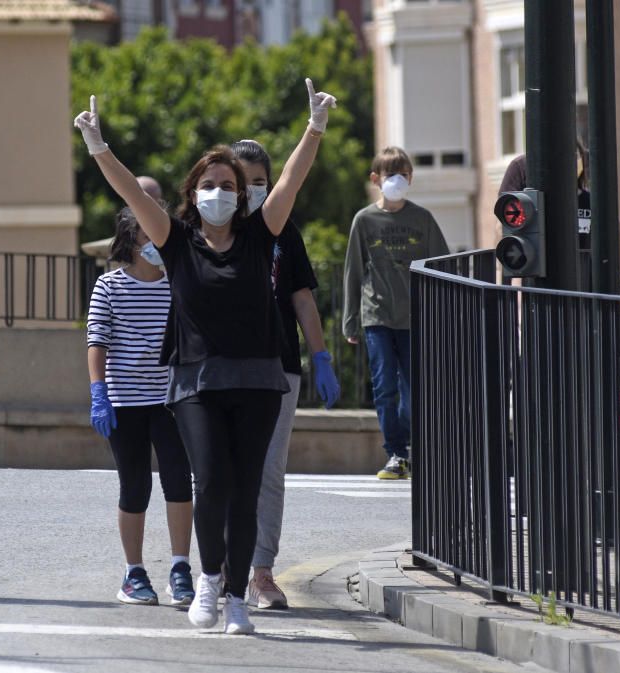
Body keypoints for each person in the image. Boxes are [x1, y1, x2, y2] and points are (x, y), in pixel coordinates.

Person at [74, 78, 336, 634]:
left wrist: (314, 128)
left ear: (242, 196)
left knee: (244, 488)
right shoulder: (175, 239)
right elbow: (131, 194)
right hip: (195, 383)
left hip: (260, 381)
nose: (219, 191)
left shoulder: (263, 235)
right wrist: (98, 147)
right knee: (211, 481)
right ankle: (210, 579)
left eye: (229, 185)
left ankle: (237, 596)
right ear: (193, 194)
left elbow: (290, 181)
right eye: (209, 184)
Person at [230, 138, 340, 610]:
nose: (251, 190)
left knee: (268, 472)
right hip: (223, 367)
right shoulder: (211, 230)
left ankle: (261, 572)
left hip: (278, 367)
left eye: (260, 182)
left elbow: (301, 297)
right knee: (223, 472)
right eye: (243, 181)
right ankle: (217, 568)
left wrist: (321, 357)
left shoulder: (283, 232)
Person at [86, 207, 195, 607]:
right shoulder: (108, 286)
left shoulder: (177, 284)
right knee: (135, 486)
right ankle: (133, 572)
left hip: (170, 400)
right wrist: (98, 392)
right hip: (124, 401)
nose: (159, 243)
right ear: (132, 240)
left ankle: (181, 567)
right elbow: (97, 340)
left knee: (179, 481)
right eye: (150, 235)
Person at [342, 147, 448, 481]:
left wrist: (441, 314)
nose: (397, 180)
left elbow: (440, 266)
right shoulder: (365, 220)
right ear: (376, 179)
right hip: (377, 317)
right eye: (391, 174)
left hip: (414, 317)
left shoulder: (422, 219)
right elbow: (353, 272)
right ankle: (397, 453)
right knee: (384, 385)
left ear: (411, 178)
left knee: (413, 389)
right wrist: (350, 319)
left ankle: (410, 444)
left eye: (403, 174)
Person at [498, 142, 620, 294]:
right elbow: (505, 228)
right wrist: (508, 287)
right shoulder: (522, 166)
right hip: (539, 287)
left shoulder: (592, 201)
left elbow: (615, 232)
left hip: (590, 289)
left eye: (575, 157)